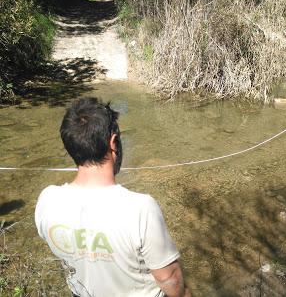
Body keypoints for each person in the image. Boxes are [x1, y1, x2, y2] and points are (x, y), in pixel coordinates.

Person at [35, 97, 190, 297]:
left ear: (70, 146)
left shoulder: (47, 201)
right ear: (113, 143)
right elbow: (168, 278)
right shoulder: (141, 208)